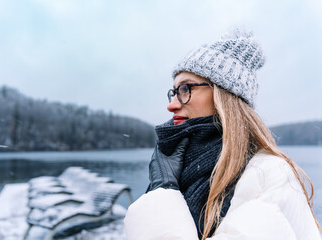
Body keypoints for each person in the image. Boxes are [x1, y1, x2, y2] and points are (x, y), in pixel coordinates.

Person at [124, 29, 322, 240]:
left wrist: (162, 191)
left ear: (223, 96)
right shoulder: (193, 172)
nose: (171, 105)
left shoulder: (268, 176)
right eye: (174, 92)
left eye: (185, 89)